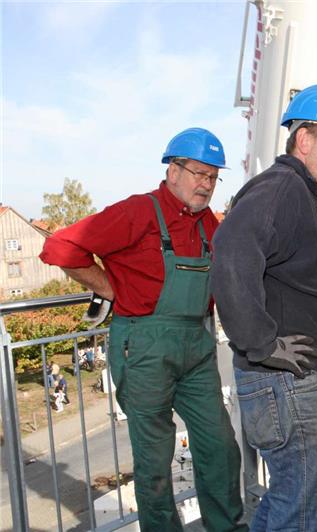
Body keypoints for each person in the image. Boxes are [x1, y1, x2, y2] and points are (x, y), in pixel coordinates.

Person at [40, 128, 246, 532]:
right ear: (173, 170)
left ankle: (227, 526)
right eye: (199, 173)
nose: (206, 184)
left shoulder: (211, 225)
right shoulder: (137, 212)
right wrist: (106, 287)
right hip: (144, 348)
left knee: (220, 446)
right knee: (154, 459)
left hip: (197, 347)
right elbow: (61, 248)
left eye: (213, 177)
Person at [210, 84, 317, 531]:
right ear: (305, 140)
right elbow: (232, 254)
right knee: (299, 508)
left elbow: (288, 279)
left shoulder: (296, 192)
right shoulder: (281, 190)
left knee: (312, 503)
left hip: (296, 382)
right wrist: (262, 343)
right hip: (290, 386)